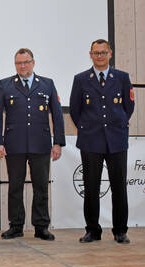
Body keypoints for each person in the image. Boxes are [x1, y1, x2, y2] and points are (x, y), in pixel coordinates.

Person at [0, 48, 65, 241]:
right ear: (15, 64)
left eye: (26, 62)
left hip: (40, 144)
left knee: (41, 186)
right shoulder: (5, 84)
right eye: (18, 63)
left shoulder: (47, 84)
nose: (22, 66)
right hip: (13, 144)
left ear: (33, 63)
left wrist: (57, 142)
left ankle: (41, 226)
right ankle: (16, 226)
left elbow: (57, 115)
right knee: (15, 186)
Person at [69, 39, 135, 244]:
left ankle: (120, 231)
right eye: (96, 53)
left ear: (110, 53)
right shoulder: (80, 79)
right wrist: (88, 128)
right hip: (91, 141)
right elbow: (75, 109)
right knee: (90, 187)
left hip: (116, 140)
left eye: (103, 52)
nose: (99, 56)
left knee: (119, 187)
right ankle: (93, 230)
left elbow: (128, 107)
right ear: (90, 54)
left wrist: (117, 124)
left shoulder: (122, 78)